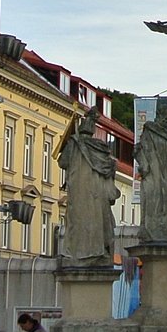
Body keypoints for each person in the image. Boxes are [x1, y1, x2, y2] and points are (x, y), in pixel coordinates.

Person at [58, 106, 120, 263]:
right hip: (97, 196)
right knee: (96, 223)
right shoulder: (101, 150)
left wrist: (65, 145)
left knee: (77, 222)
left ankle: (77, 253)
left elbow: (62, 162)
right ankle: (97, 251)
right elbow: (109, 168)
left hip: (79, 193)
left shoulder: (73, 144)